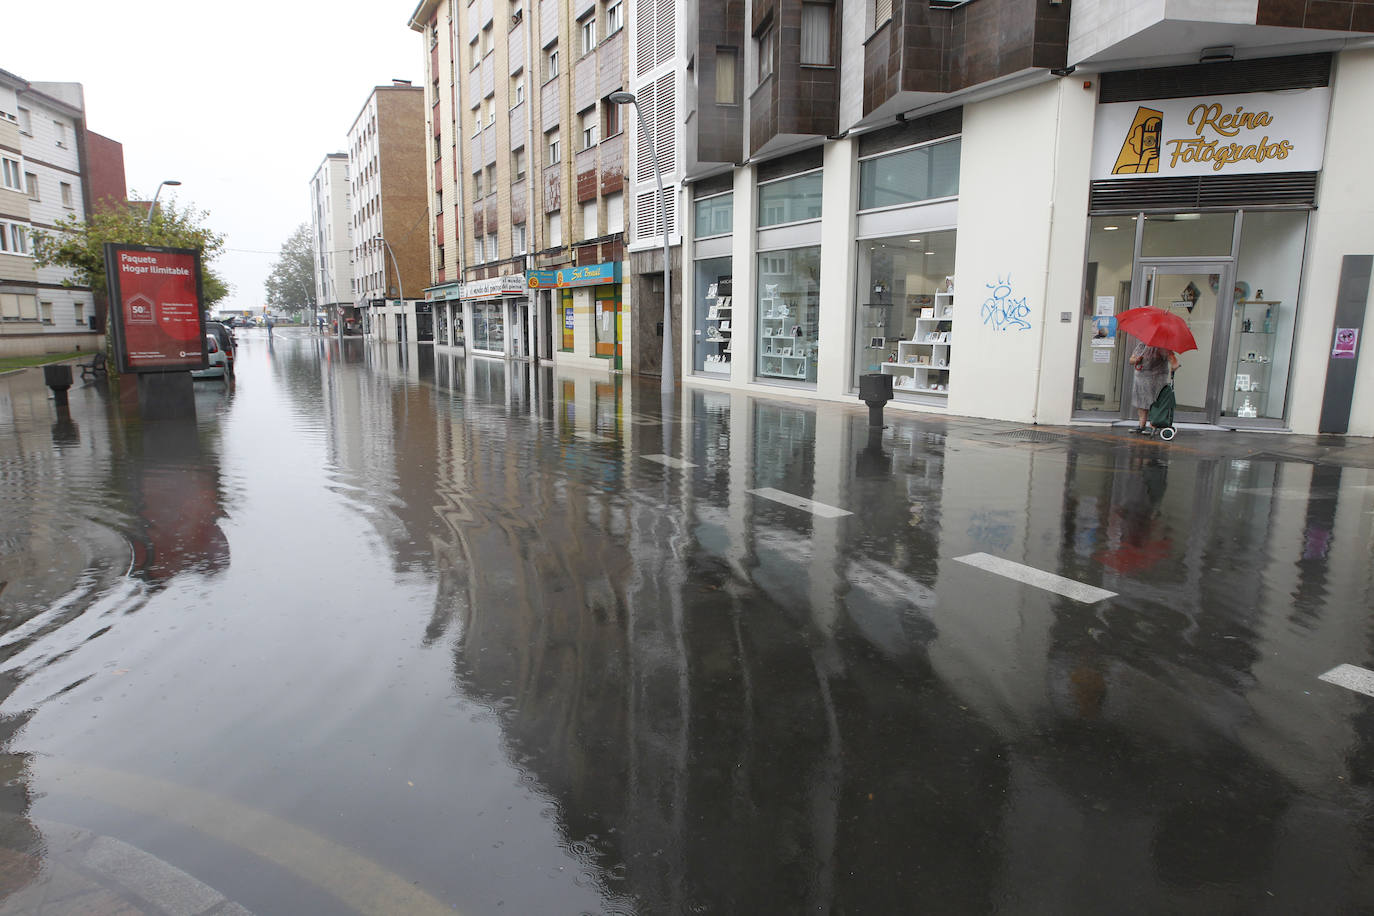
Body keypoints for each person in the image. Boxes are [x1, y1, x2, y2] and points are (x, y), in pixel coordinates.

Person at [1128, 342, 1179, 433]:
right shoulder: (1141, 345)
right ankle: (1141, 425)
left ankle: (1153, 425)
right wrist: (1136, 360)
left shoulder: (1162, 347)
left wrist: (1174, 366)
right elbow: (1131, 360)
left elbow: (1173, 360)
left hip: (1156, 379)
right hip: (1140, 378)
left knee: (1154, 402)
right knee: (1141, 403)